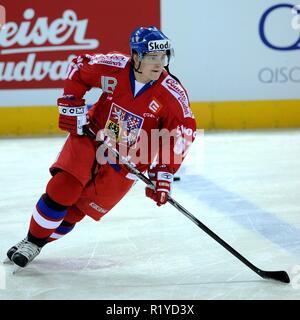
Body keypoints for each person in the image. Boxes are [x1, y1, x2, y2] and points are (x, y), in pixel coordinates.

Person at [6, 26, 197, 269]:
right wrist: (70, 104)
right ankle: (32, 241)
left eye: (162, 57)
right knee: (65, 186)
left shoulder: (171, 93)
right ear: (136, 56)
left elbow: (182, 132)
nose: (159, 63)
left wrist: (164, 171)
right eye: (151, 57)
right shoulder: (114, 67)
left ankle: (35, 241)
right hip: (92, 136)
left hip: (129, 160)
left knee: (76, 211)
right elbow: (79, 68)